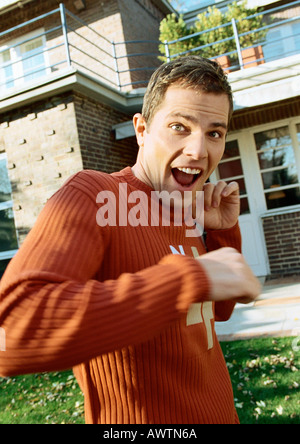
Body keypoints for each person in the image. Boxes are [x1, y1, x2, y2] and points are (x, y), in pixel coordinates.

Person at [0, 56, 261, 424]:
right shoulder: (93, 193)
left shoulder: (181, 207)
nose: (199, 151)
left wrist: (222, 233)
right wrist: (189, 278)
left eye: (214, 133)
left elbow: (215, 312)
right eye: (179, 127)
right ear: (141, 130)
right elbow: (11, 332)